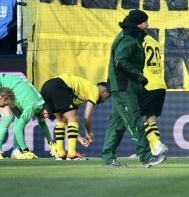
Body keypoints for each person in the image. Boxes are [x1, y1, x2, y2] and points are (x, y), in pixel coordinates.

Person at [102, 9, 167, 168]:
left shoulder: (131, 37)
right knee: (135, 121)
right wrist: (139, 76)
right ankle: (146, 157)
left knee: (117, 124)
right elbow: (120, 62)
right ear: (138, 24)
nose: (148, 24)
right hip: (124, 87)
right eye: (145, 22)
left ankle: (108, 157)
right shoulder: (128, 39)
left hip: (123, 86)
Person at [0, 67, 53, 160]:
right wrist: (26, 150)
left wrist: (51, 143)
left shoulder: (41, 105)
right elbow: (18, 129)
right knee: (9, 117)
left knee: (18, 117)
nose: (46, 117)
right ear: (45, 110)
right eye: (47, 115)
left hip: (10, 90)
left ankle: (15, 151)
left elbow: (42, 124)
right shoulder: (33, 106)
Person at [40, 74, 110, 160]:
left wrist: (80, 138)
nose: (104, 100)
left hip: (45, 88)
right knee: (73, 118)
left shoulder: (81, 94)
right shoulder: (95, 90)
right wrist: (88, 132)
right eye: (107, 97)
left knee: (61, 120)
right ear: (104, 91)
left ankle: (61, 153)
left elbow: (68, 123)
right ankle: (72, 154)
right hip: (59, 86)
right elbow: (87, 116)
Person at [139, 31, 168, 157]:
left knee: (134, 117)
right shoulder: (154, 42)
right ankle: (155, 149)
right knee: (151, 120)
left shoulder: (139, 42)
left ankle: (156, 144)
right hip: (160, 84)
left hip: (147, 84)